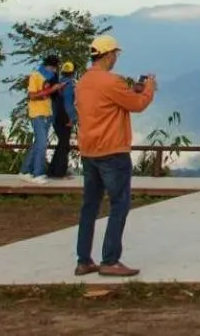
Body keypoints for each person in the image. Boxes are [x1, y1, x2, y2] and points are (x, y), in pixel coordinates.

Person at [74, 35, 155, 278]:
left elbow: (112, 102)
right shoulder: (111, 81)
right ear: (109, 55)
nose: (116, 58)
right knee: (119, 204)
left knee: (90, 206)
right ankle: (110, 260)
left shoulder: (82, 82)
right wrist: (149, 88)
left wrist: (131, 91)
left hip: (89, 151)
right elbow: (137, 105)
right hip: (112, 151)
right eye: (115, 55)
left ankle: (84, 260)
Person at [22, 54, 61, 182]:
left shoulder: (51, 78)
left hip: (47, 112)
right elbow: (32, 96)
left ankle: (25, 171)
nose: (55, 71)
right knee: (42, 143)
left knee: (38, 143)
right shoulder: (35, 75)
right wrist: (51, 90)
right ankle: (37, 173)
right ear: (49, 66)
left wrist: (57, 89)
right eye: (54, 68)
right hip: (37, 113)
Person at [46, 60, 79, 179]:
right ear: (73, 72)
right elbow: (68, 104)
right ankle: (60, 172)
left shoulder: (57, 83)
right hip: (65, 117)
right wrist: (72, 119)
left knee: (62, 144)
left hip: (55, 117)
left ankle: (52, 171)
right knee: (64, 145)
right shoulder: (70, 85)